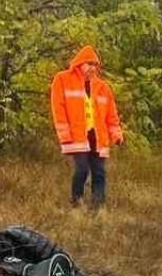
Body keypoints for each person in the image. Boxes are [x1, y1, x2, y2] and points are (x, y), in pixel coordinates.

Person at [50, 46, 124, 210]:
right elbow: (58, 109)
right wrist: (64, 134)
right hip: (77, 136)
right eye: (88, 63)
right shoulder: (62, 79)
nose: (92, 68)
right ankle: (76, 202)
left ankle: (98, 208)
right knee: (82, 170)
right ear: (79, 63)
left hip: (98, 138)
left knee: (99, 173)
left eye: (95, 64)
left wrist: (116, 135)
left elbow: (111, 116)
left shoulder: (103, 87)